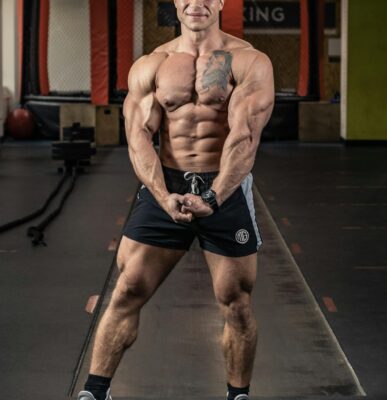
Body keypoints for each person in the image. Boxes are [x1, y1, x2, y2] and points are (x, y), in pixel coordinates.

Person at [78, 1, 274, 399]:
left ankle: (238, 395)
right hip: (164, 184)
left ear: (221, 2)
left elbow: (244, 136)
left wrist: (214, 197)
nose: (197, 3)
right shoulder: (152, 65)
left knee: (235, 301)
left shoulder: (248, 62)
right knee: (128, 288)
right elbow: (138, 136)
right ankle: (94, 393)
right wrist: (162, 195)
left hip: (225, 186)